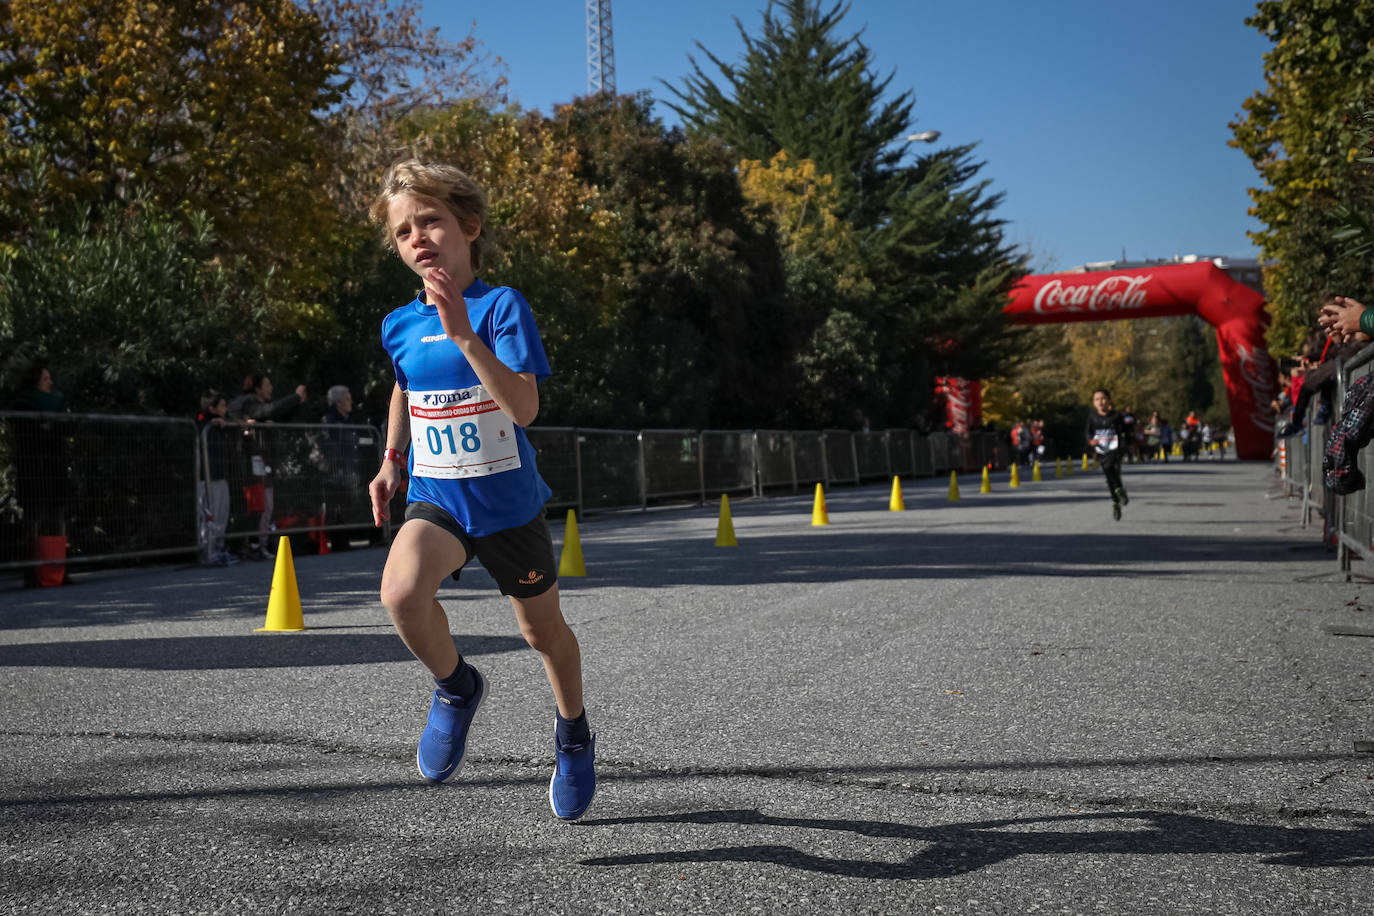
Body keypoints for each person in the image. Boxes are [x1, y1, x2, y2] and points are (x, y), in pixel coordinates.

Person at [366, 158, 596, 821]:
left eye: (431, 220)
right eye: (405, 230)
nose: (419, 238)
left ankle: (573, 736)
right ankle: (457, 688)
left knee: (542, 632)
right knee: (402, 593)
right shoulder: (399, 324)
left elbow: (524, 408)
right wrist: (391, 460)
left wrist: (465, 334)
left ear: (467, 226)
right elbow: (406, 386)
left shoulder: (500, 308)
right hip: (439, 498)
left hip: (508, 507)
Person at [229, 374, 306, 560]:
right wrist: (295, 397)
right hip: (251, 466)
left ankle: (259, 544)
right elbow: (269, 411)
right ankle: (251, 545)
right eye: (267, 385)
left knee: (266, 506)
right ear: (257, 388)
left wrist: (297, 402)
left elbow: (280, 413)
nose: (271, 388)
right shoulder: (251, 403)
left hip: (264, 464)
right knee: (258, 507)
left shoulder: (256, 405)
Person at [8, 361, 71, 586]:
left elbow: (64, 428)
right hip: (33, 470)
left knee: (58, 519)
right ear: (35, 381)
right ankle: (31, 573)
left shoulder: (57, 401)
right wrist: (49, 427)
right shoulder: (22, 403)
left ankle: (58, 571)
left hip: (54, 469)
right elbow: (29, 432)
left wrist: (50, 427)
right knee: (33, 520)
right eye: (45, 379)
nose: (50, 382)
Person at [196, 391, 239, 566]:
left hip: (221, 476)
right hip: (207, 478)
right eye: (221, 406)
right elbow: (198, 424)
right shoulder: (202, 421)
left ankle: (219, 549)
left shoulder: (223, 423)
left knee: (222, 514)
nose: (225, 409)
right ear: (212, 408)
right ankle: (207, 552)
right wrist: (211, 422)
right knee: (209, 516)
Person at [320, 384, 361, 552]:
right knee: (335, 507)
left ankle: (345, 541)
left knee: (346, 506)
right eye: (348, 399)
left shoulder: (346, 420)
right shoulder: (328, 420)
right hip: (334, 472)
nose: (351, 402)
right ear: (339, 403)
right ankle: (338, 543)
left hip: (346, 471)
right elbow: (327, 446)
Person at [1085, 388, 1130, 521]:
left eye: (1103, 398)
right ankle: (1116, 501)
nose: (1101, 401)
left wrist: (1126, 443)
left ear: (1109, 400)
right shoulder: (1092, 417)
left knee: (1111, 467)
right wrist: (1091, 441)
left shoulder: (1116, 416)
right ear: (1094, 403)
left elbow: (1126, 430)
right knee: (1109, 475)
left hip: (1115, 449)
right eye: (1097, 399)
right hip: (1101, 450)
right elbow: (1087, 432)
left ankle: (1120, 491)